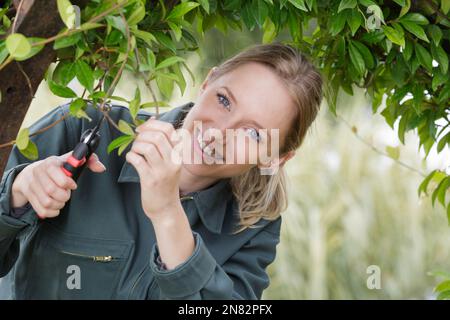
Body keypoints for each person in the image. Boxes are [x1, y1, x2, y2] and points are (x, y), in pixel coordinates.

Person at [0, 42, 322, 299]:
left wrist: (168, 214)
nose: (218, 134)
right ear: (206, 83)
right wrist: (16, 194)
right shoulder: (85, 128)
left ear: (275, 158)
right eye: (224, 100)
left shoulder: (254, 228)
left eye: (252, 134)